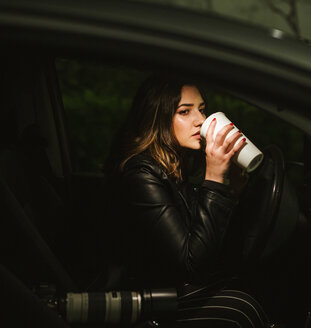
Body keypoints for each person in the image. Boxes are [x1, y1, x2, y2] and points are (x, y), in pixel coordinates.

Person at [104, 74, 270, 327]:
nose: (201, 121)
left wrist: (231, 193)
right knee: (242, 309)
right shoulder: (141, 174)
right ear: (157, 118)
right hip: (147, 302)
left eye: (202, 110)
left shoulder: (176, 165)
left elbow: (211, 250)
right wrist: (214, 180)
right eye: (185, 111)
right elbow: (193, 265)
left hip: (174, 290)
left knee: (252, 289)